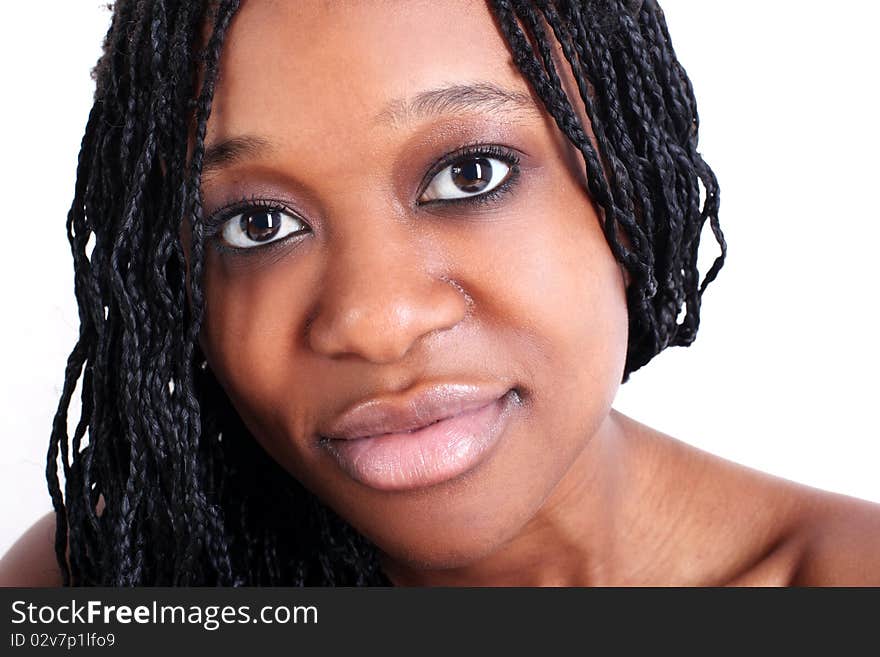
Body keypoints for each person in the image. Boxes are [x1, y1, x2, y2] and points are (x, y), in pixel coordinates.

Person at [2, 0, 879, 587]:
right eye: (257, 225)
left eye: (469, 173)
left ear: (629, 178)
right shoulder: (116, 575)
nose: (375, 324)